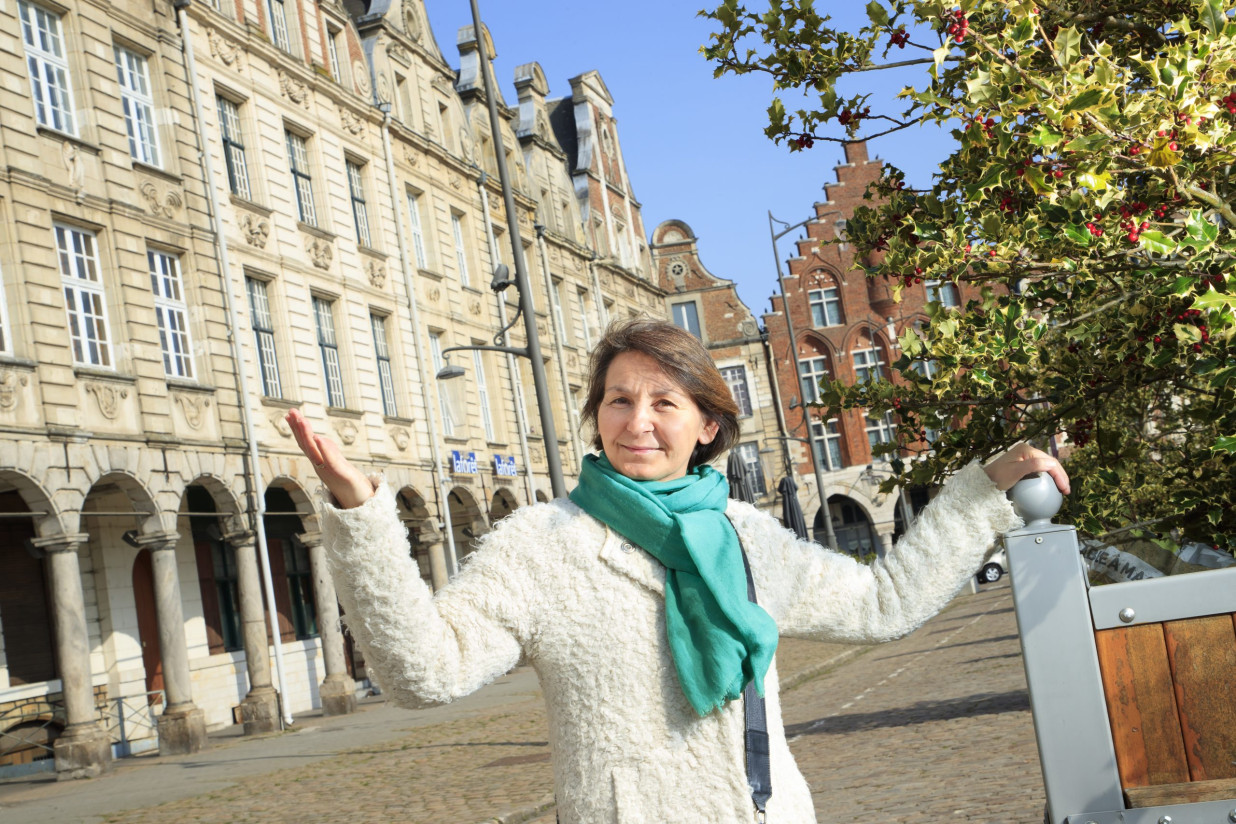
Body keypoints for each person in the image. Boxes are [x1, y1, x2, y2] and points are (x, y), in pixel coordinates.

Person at [286, 318, 1068, 823]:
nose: (637, 422)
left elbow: (883, 604)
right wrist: (360, 515)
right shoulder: (542, 543)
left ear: (708, 426)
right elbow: (425, 673)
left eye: (664, 402)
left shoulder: (745, 535)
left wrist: (978, 493)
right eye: (618, 400)